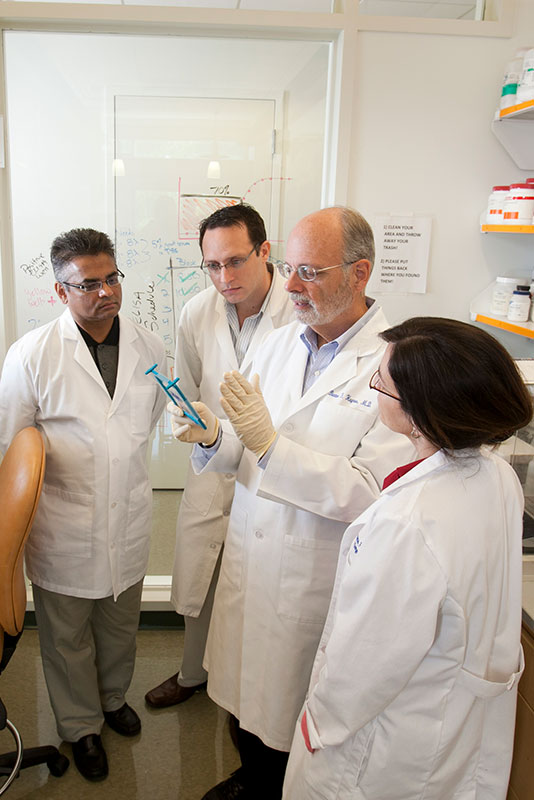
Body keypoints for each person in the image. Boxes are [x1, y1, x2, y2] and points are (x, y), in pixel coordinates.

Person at [170, 206, 416, 800]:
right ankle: (251, 779)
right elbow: (243, 445)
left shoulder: (397, 364)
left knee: (296, 720)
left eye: (311, 271)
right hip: (253, 563)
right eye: (290, 268)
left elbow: (373, 490)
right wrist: (214, 437)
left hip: (315, 576)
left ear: (359, 274)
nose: (294, 286)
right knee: (243, 706)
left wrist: (270, 446)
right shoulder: (278, 345)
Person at [282, 317, 532, 800]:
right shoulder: (498, 474)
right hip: (452, 721)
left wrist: (321, 721)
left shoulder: (406, 524)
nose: (374, 387)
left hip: (386, 745)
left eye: (382, 382)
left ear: (420, 412)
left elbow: (366, 661)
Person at [0, 228, 166, 782]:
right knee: (66, 635)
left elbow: (146, 425)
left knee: (120, 625)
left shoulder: (150, 346)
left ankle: (114, 698)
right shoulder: (32, 354)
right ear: (59, 290)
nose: (104, 292)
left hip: (128, 518)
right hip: (62, 524)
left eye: (111, 278)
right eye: (88, 283)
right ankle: (80, 727)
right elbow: (13, 446)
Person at [144, 204, 293, 709]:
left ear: (265, 251)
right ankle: (192, 674)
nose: (223, 277)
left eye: (235, 261)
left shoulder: (297, 309)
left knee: (261, 581)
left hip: (272, 464)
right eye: (212, 266)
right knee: (201, 575)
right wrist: (188, 422)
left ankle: (248, 686)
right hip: (212, 460)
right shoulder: (196, 311)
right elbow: (185, 389)